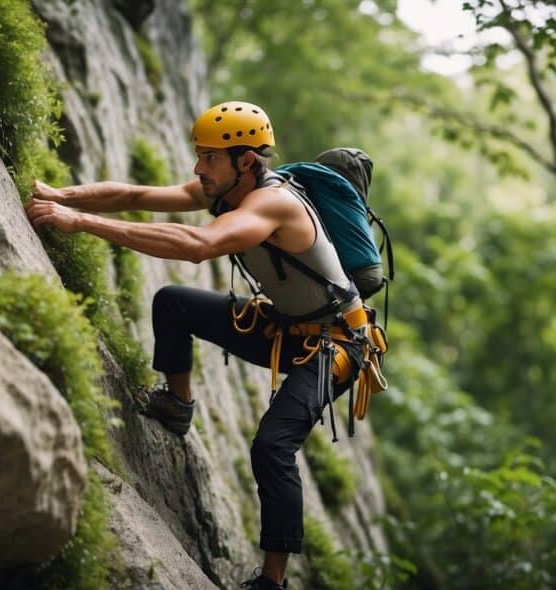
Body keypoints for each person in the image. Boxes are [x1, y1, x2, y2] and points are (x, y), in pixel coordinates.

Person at [25, 101, 368, 590]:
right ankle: (178, 405)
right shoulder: (227, 191)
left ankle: (273, 582)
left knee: (273, 446)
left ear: (246, 161)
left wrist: (80, 223)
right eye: (200, 156)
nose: (197, 168)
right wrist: (64, 196)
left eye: (209, 158)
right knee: (172, 303)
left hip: (336, 348)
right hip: (287, 329)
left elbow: (198, 245)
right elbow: (137, 193)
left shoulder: (272, 204)